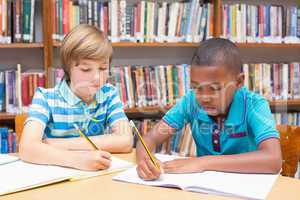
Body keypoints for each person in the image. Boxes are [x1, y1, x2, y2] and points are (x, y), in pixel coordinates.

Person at [136, 38, 282, 180]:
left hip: (248, 187)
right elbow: (149, 139)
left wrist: (203, 162)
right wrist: (146, 163)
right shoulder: (190, 102)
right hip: (203, 188)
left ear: (238, 82)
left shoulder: (254, 105)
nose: (204, 97)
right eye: (196, 87)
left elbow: (273, 159)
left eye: (214, 89)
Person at [19, 24, 133, 171]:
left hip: (96, 178)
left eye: (103, 68)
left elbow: (125, 140)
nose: (97, 77)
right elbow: (27, 148)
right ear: (68, 69)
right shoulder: (46, 98)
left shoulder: (109, 94)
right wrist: (78, 160)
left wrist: (59, 144)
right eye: (86, 69)